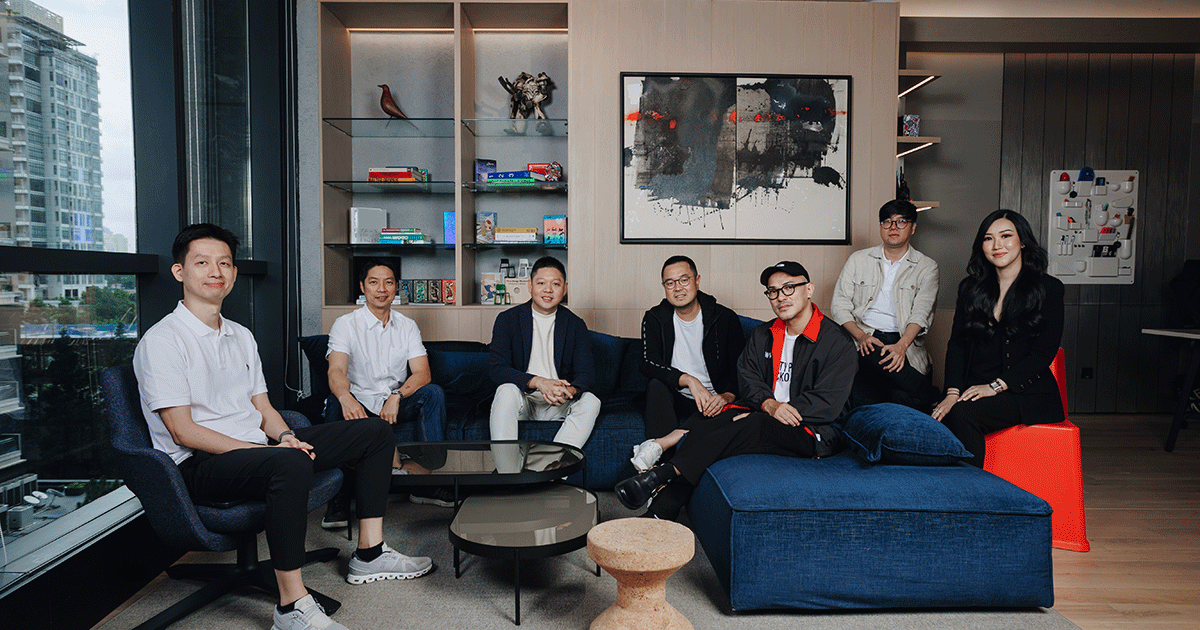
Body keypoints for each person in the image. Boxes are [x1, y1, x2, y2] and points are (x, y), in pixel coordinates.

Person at [133, 225, 432, 630]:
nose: (215, 272)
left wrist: (286, 436)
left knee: (373, 432)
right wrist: (272, 452)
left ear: (234, 273)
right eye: (202, 263)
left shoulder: (240, 335)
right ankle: (291, 607)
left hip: (258, 448)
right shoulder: (163, 341)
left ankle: (370, 553)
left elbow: (263, 407)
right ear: (179, 272)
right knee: (289, 463)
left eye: (224, 263)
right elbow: (183, 431)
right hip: (200, 464)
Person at [614, 261, 857, 522]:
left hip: (811, 429)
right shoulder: (764, 334)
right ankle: (659, 513)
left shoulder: (837, 342)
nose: (780, 297)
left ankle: (662, 475)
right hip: (762, 412)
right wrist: (767, 404)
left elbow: (828, 402)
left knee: (753, 425)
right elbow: (747, 378)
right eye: (773, 291)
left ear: (808, 289)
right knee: (707, 424)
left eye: (789, 288)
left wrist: (768, 412)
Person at [323, 259, 452, 526]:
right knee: (335, 402)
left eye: (388, 282)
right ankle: (338, 498)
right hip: (360, 404)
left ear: (396, 287)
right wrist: (346, 397)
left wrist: (397, 396)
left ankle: (425, 479)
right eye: (374, 282)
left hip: (395, 404)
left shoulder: (407, 325)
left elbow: (422, 374)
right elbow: (335, 370)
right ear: (362, 287)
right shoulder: (345, 324)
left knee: (433, 392)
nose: (381, 289)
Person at [931, 210, 1065, 467]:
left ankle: (975, 489)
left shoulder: (1048, 288)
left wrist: (995, 387)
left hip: (1023, 393)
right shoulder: (970, 288)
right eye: (988, 238)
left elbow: (1043, 353)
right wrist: (952, 392)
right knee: (940, 414)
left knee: (962, 414)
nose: (997, 246)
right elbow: (957, 344)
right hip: (973, 388)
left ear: (1022, 241)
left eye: (1006, 236)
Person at [632, 255, 746, 471]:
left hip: (714, 399)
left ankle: (660, 459)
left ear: (697, 280)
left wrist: (727, 396)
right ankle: (659, 469)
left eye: (684, 280)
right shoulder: (655, 318)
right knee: (655, 386)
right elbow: (647, 363)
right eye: (670, 283)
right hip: (676, 395)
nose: (678, 288)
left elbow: (741, 368)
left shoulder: (724, 317)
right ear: (664, 287)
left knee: (737, 413)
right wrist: (689, 380)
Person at [830, 198, 941, 410]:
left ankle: (922, 395)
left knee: (902, 401)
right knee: (870, 360)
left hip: (904, 339)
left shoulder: (926, 267)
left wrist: (901, 346)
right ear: (881, 226)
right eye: (887, 221)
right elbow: (839, 305)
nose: (893, 227)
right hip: (863, 335)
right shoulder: (858, 259)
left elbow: (921, 312)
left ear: (913, 227)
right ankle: (930, 394)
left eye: (901, 221)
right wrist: (861, 336)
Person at [488, 256, 600, 449]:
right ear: (530, 285)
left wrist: (568, 391)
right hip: (523, 398)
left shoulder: (575, 324)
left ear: (564, 289)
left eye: (555, 284)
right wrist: (539, 382)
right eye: (541, 283)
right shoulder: (508, 319)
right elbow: (497, 369)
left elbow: (586, 374)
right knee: (505, 391)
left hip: (558, 402)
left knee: (591, 401)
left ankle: (554, 463)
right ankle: (507, 466)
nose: (548, 290)